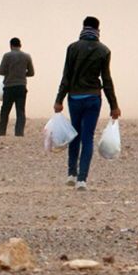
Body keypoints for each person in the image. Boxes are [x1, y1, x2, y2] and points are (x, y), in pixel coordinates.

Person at [53, 16, 120, 190]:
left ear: (83, 27)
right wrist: (114, 105)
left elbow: (66, 76)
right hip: (93, 99)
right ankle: (82, 179)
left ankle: (71, 173)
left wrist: (59, 99)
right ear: (98, 30)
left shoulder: (73, 48)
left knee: (74, 134)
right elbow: (106, 80)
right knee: (87, 137)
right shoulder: (104, 51)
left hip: (74, 98)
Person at [0, 37, 35, 137]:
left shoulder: (7, 56)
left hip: (9, 86)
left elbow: (1, 71)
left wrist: (10, 72)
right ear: (20, 45)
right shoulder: (27, 56)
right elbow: (31, 72)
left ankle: (1, 133)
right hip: (21, 86)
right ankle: (19, 133)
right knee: (20, 111)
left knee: (5, 111)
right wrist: (22, 74)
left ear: (10, 45)